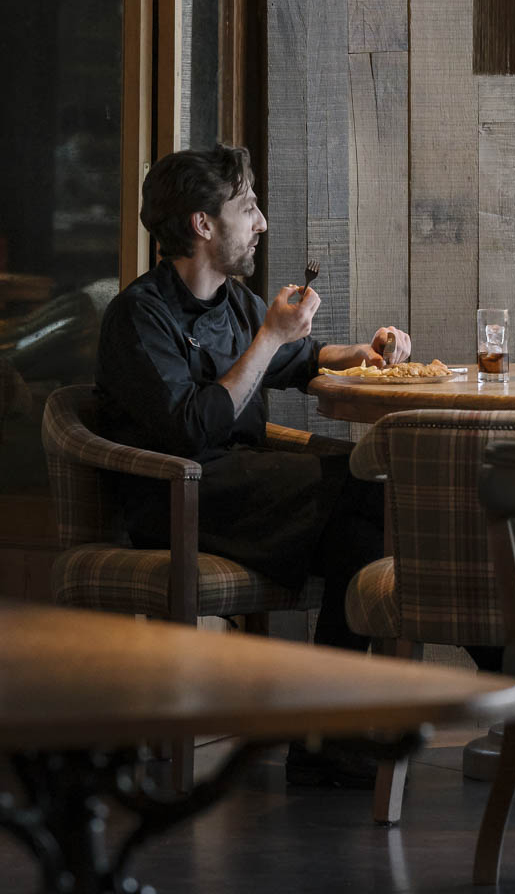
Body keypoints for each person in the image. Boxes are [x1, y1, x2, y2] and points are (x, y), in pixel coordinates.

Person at [93, 144, 411, 787]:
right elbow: (190, 429)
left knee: (365, 518)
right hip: (178, 497)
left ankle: (325, 735)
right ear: (202, 224)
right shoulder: (140, 314)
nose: (262, 222)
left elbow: (299, 360)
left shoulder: (234, 303)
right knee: (365, 489)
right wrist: (270, 336)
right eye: (248, 208)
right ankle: (500, 668)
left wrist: (364, 352)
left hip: (242, 488)